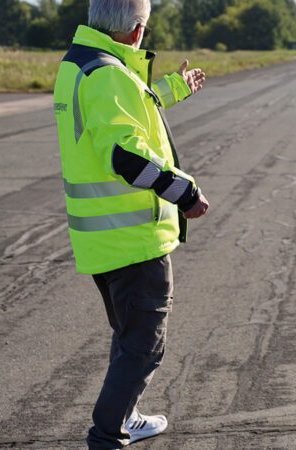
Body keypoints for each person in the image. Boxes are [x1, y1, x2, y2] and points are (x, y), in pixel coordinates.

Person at [52, 0, 209, 447]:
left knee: (128, 336)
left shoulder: (81, 65)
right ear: (137, 30)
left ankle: (128, 415)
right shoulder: (108, 75)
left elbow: (127, 108)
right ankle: (107, 435)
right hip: (132, 239)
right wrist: (187, 194)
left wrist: (175, 87)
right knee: (143, 347)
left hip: (103, 240)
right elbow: (126, 154)